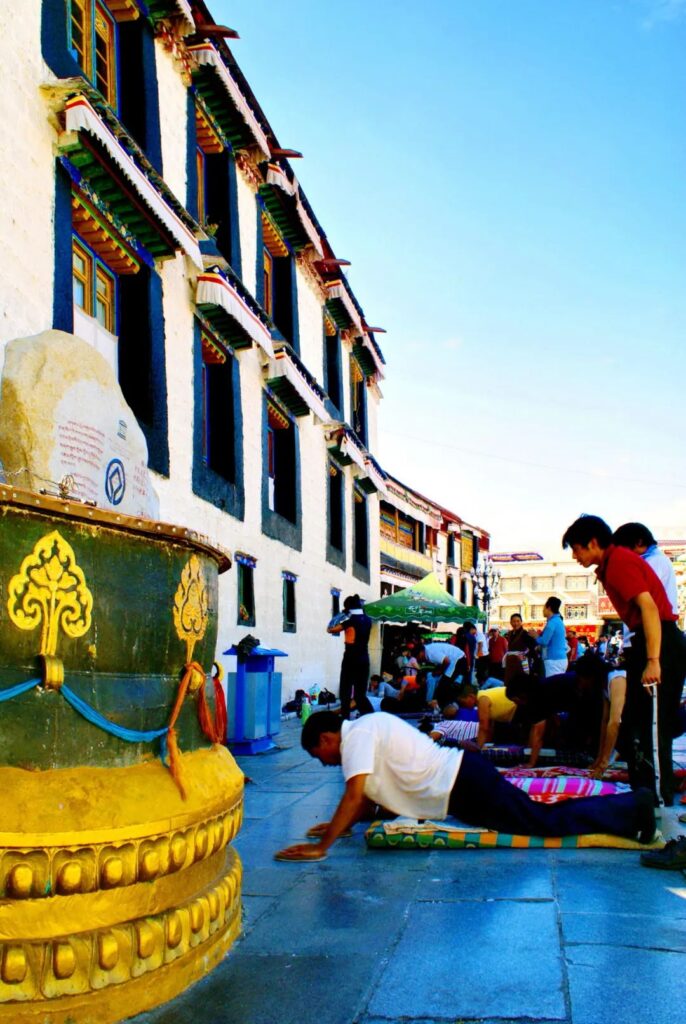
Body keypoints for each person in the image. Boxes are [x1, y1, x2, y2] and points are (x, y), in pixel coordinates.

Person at [274, 711, 656, 861]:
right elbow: (382, 801)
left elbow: (355, 794)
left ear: (326, 738)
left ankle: (633, 808)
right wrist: (344, 826)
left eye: (317, 754)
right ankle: (631, 809)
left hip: (465, 783)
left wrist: (321, 847)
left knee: (545, 821)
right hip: (464, 780)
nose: (323, 762)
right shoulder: (366, 728)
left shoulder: (356, 736)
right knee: (541, 816)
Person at [562, 514, 686, 804]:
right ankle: (644, 797)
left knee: (652, 728)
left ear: (593, 543)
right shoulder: (610, 565)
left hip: (661, 643)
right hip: (648, 642)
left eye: (577, 549)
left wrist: (653, 660)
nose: (576, 556)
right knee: (635, 725)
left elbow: (651, 609)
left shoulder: (618, 561)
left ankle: (658, 806)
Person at [327, 595, 373, 719]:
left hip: (350, 659)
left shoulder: (350, 622)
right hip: (364, 659)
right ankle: (371, 718)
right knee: (360, 695)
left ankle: (345, 719)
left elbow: (330, 629)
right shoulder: (368, 620)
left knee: (345, 692)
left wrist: (341, 615)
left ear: (348, 608)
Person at [536, 597, 568, 677]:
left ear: (549, 608)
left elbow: (544, 641)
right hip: (560, 659)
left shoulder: (552, 623)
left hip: (553, 660)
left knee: (553, 686)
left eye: (544, 607)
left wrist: (535, 636)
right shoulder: (558, 621)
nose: (543, 610)